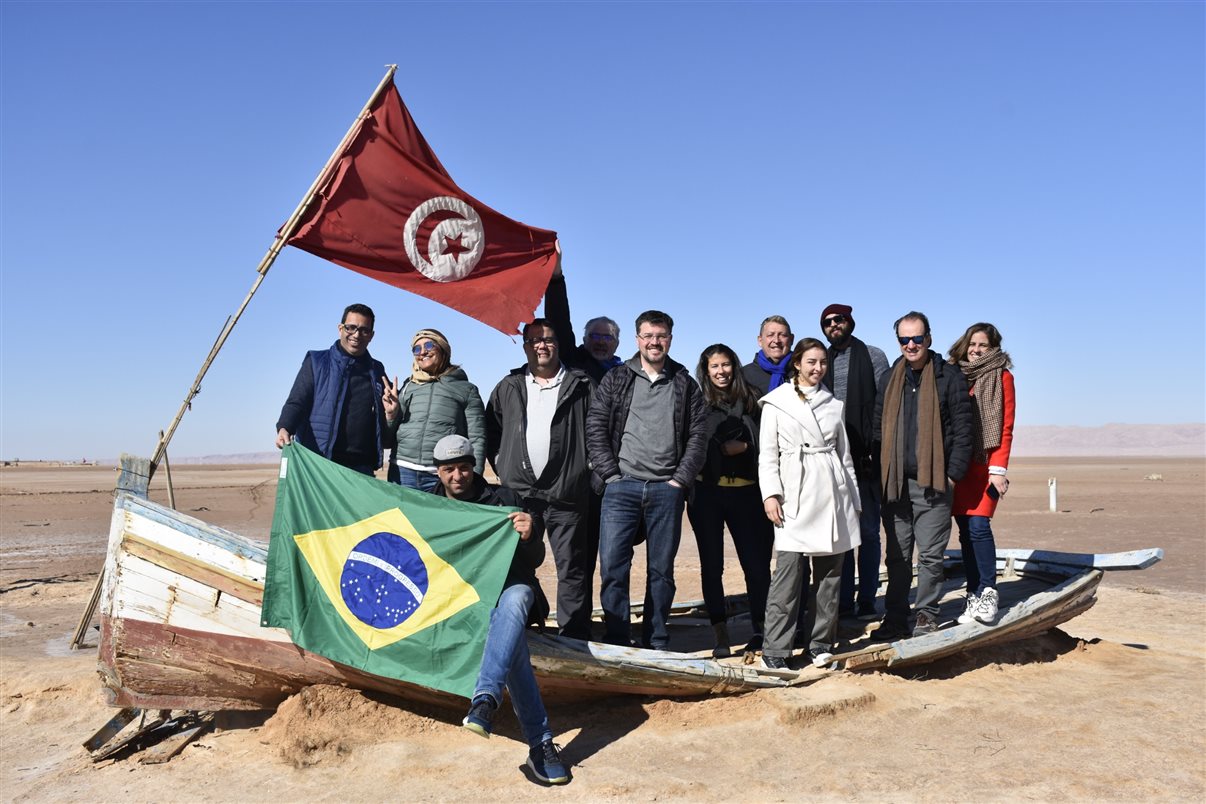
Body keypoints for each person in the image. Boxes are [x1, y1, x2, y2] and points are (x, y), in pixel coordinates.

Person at [432, 435, 569, 786]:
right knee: (513, 646)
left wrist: (529, 536)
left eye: (464, 467)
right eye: (449, 469)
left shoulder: (505, 498)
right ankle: (540, 744)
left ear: (474, 465)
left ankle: (485, 701)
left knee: (519, 597)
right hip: (459, 602)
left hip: (508, 587)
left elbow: (535, 561)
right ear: (439, 472)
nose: (458, 476)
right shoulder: (426, 505)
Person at [586, 310, 708, 649]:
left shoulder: (684, 383)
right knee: (613, 568)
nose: (655, 342)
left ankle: (656, 638)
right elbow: (595, 425)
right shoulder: (617, 378)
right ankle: (617, 639)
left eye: (661, 336)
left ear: (670, 338)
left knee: (661, 572)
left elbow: (698, 435)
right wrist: (610, 475)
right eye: (648, 336)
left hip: (666, 490)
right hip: (620, 487)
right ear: (638, 339)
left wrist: (679, 481)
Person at [486, 318, 595, 641]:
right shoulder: (510, 386)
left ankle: (573, 638)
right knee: (517, 563)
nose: (541, 346)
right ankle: (522, 627)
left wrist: (588, 472)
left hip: (568, 493)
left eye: (547, 339)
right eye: (534, 340)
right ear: (526, 346)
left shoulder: (582, 385)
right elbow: (491, 428)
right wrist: (502, 463)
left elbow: (601, 431)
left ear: (558, 344)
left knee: (572, 570)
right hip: (520, 494)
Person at [757, 339, 862, 669]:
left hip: (832, 492)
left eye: (822, 363)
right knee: (787, 576)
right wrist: (770, 494)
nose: (818, 368)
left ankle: (820, 643)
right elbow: (768, 455)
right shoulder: (776, 403)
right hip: (794, 492)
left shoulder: (834, 404)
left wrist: (853, 499)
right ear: (797, 363)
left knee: (829, 577)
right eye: (811, 362)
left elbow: (844, 456)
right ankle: (776, 649)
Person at [870, 312, 972, 640]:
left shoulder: (948, 376)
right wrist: (879, 473)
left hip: (934, 483)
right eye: (904, 340)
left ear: (928, 338)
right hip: (895, 484)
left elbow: (963, 429)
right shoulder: (889, 379)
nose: (911, 345)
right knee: (897, 556)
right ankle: (896, 618)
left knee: (929, 554)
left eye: (917, 338)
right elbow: (877, 428)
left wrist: (953, 474)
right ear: (898, 342)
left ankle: (926, 614)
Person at [686, 344, 774, 657]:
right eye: (714, 367)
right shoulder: (695, 401)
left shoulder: (750, 397)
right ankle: (720, 634)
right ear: (706, 370)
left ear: (733, 366)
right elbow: (689, 441)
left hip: (747, 491)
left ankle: (762, 629)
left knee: (756, 565)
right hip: (707, 493)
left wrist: (746, 444)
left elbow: (768, 435)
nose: (721, 372)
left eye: (725, 365)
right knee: (712, 566)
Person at [819, 303, 891, 621]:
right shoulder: (821, 359)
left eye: (839, 320)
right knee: (842, 535)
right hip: (832, 459)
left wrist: (876, 446)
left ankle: (868, 599)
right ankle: (844, 600)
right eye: (828, 322)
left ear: (850, 322)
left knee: (869, 532)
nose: (834, 325)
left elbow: (883, 405)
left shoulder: (873, 356)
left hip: (866, 459)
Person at [948, 323, 1016, 625]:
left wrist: (998, 470)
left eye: (983, 346)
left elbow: (1005, 427)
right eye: (972, 344)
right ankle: (973, 595)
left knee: (978, 527)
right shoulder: (955, 375)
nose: (976, 350)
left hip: (986, 467)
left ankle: (989, 591)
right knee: (964, 533)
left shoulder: (1002, 377)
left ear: (994, 349)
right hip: (960, 465)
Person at [275, 303, 393, 475]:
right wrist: (285, 427)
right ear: (340, 328)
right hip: (320, 463)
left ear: (371, 335)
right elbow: (297, 401)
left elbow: (387, 412)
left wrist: (392, 413)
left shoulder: (376, 370)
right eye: (351, 328)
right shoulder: (316, 362)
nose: (356, 335)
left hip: (361, 468)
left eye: (364, 330)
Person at [385, 328, 486, 492]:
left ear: (443, 349)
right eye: (416, 349)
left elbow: (477, 438)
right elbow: (387, 441)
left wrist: (475, 479)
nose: (422, 352)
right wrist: (390, 415)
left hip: (442, 476)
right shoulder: (407, 387)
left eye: (429, 345)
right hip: (401, 473)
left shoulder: (466, 389)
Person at [741, 316, 795, 395]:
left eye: (782, 335)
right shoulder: (743, 376)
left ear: (791, 339)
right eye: (770, 335)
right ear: (760, 340)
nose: (776, 340)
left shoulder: (803, 372)